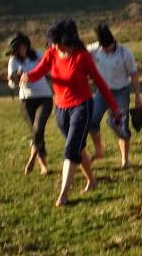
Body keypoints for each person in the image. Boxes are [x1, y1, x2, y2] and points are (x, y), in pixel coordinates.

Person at [20, 20, 120, 206]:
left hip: (82, 106)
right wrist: (28, 76)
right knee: (78, 147)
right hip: (61, 108)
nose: (54, 45)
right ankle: (92, 180)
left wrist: (114, 108)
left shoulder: (82, 57)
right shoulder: (52, 53)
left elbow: (99, 83)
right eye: (53, 42)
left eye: (57, 42)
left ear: (68, 41)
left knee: (71, 149)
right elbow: (40, 70)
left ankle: (63, 195)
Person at [88, 23, 142, 169]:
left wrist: (138, 97)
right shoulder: (94, 49)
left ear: (113, 42)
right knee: (92, 120)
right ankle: (99, 150)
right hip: (101, 93)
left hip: (121, 92)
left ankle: (125, 160)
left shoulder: (125, 53)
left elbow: (133, 74)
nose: (105, 50)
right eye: (103, 48)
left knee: (120, 126)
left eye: (108, 47)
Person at [6, 32, 53, 176]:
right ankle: (43, 165)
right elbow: (11, 83)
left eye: (21, 45)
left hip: (45, 96)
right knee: (35, 132)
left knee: (38, 129)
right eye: (17, 48)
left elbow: (48, 68)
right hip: (26, 99)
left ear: (26, 44)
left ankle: (33, 157)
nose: (20, 49)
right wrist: (14, 79)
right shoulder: (13, 60)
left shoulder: (38, 55)